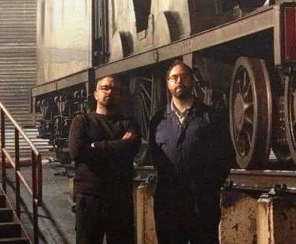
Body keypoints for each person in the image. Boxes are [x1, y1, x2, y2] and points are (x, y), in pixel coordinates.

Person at [149, 60, 233, 244]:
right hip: (168, 202)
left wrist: (209, 185)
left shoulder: (210, 116)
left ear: (192, 81)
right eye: (174, 78)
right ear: (168, 83)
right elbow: (154, 154)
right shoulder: (158, 119)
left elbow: (225, 155)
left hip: (201, 201)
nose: (180, 81)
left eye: (184, 77)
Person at [68, 75, 141, 244]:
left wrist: (96, 147)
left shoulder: (129, 122)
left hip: (120, 198)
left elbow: (132, 148)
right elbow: (77, 152)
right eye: (105, 88)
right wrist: (120, 144)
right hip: (89, 198)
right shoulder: (82, 121)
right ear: (95, 94)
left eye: (115, 89)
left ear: (121, 95)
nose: (110, 92)